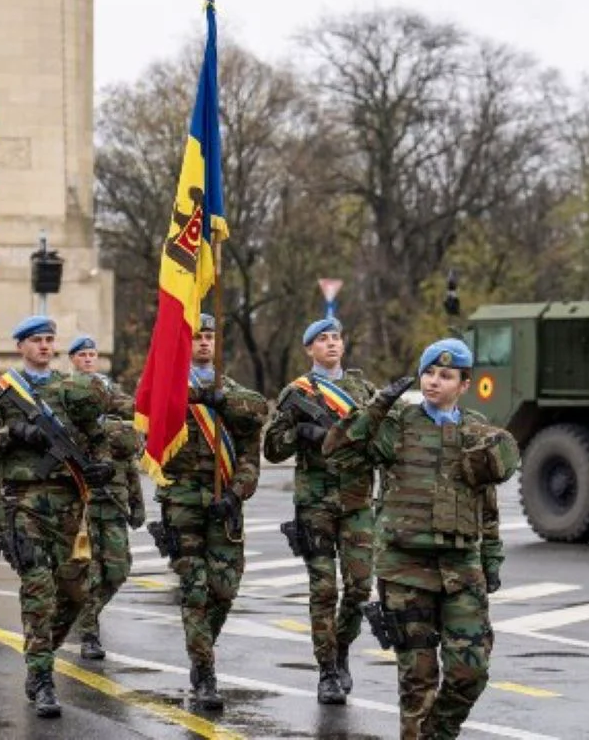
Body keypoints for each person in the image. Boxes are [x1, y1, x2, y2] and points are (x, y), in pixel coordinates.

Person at [324, 338, 520, 740]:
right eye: (428, 372)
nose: (433, 381)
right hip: (404, 569)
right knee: (418, 681)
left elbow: (487, 503)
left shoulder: (476, 431)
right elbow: (337, 449)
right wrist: (378, 405)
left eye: (445, 376)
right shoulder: (396, 425)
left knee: (471, 670)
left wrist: (492, 557)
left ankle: (437, 734)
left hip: (461, 569)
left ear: (464, 384)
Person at [0, 316, 113, 718]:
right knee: (37, 588)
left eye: (50, 340)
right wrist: (12, 434)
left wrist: (100, 466)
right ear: (21, 346)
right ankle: (42, 675)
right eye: (37, 340)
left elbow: (97, 435)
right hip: (24, 502)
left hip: (70, 504)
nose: (46, 346)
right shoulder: (1, 392)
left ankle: (42, 651)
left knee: (74, 592)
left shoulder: (71, 389)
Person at [151, 313, 267, 710]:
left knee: (225, 588)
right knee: (195, 589)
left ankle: (200, 649)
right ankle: (204, 672)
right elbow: (147, 437)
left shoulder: (234, 395)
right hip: (182, 505)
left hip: (224, 506)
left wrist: (236, 494)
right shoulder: (167, 392)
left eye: (209, 337)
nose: (203, 343)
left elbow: (251, 452)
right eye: (196, 337)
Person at [263, 317, 377, 704]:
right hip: (315, 504)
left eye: (336, 337)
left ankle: (341, 646)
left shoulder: (363, 390)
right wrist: (303, 433)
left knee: (360, 588)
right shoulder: (298, 392)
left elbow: (381, 438)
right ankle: (327, 670)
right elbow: (273, 448)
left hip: (358, 503)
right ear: (309, 349)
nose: (331, 343)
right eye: (322, 339)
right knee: (324, 589)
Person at [66, 333, 145, 661]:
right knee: (85, 570)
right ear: (72, 360)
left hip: (113, 502)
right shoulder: (66, 396)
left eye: (92, 353)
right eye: (82, 354)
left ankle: (85, 614)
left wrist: (137, 503)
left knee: (117, 569)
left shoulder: (115, 397)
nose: (87, 358)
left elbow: (130, 459)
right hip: (80, 503)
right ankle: (88, 629)